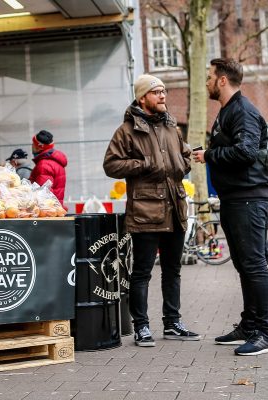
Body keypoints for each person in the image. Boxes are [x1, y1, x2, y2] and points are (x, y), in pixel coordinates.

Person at [103, 74, 199, 347]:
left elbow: (185, 155)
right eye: (157, 92)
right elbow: (111, 165)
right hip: (146, 210)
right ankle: (141, 327)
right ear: (143, 97)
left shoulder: (172, 126)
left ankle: (173, 323)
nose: (163, 96)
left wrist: (184, 163)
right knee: (142, 271)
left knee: (173, 269)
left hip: (175, 206)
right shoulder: (126, 130)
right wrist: (143, 163)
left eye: (164, 91)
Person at [193, 58, 268, 356]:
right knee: (244, 265)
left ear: (221, 80)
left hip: (249, 198)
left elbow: (246, 151)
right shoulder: (228, 111)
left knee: (254, 264)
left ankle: (266, 334)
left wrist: (209, 155)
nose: (206, 81)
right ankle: (250, 325)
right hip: (235, 198)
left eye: (209, 76)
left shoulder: (242, 110)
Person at [29, 130, 67, 205]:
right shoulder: (56, 162)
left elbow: (44, 193)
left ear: (39, 147)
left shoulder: (44, 165)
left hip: (47, 210)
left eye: (33, 144)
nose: (32, 146)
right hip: (55, 208)